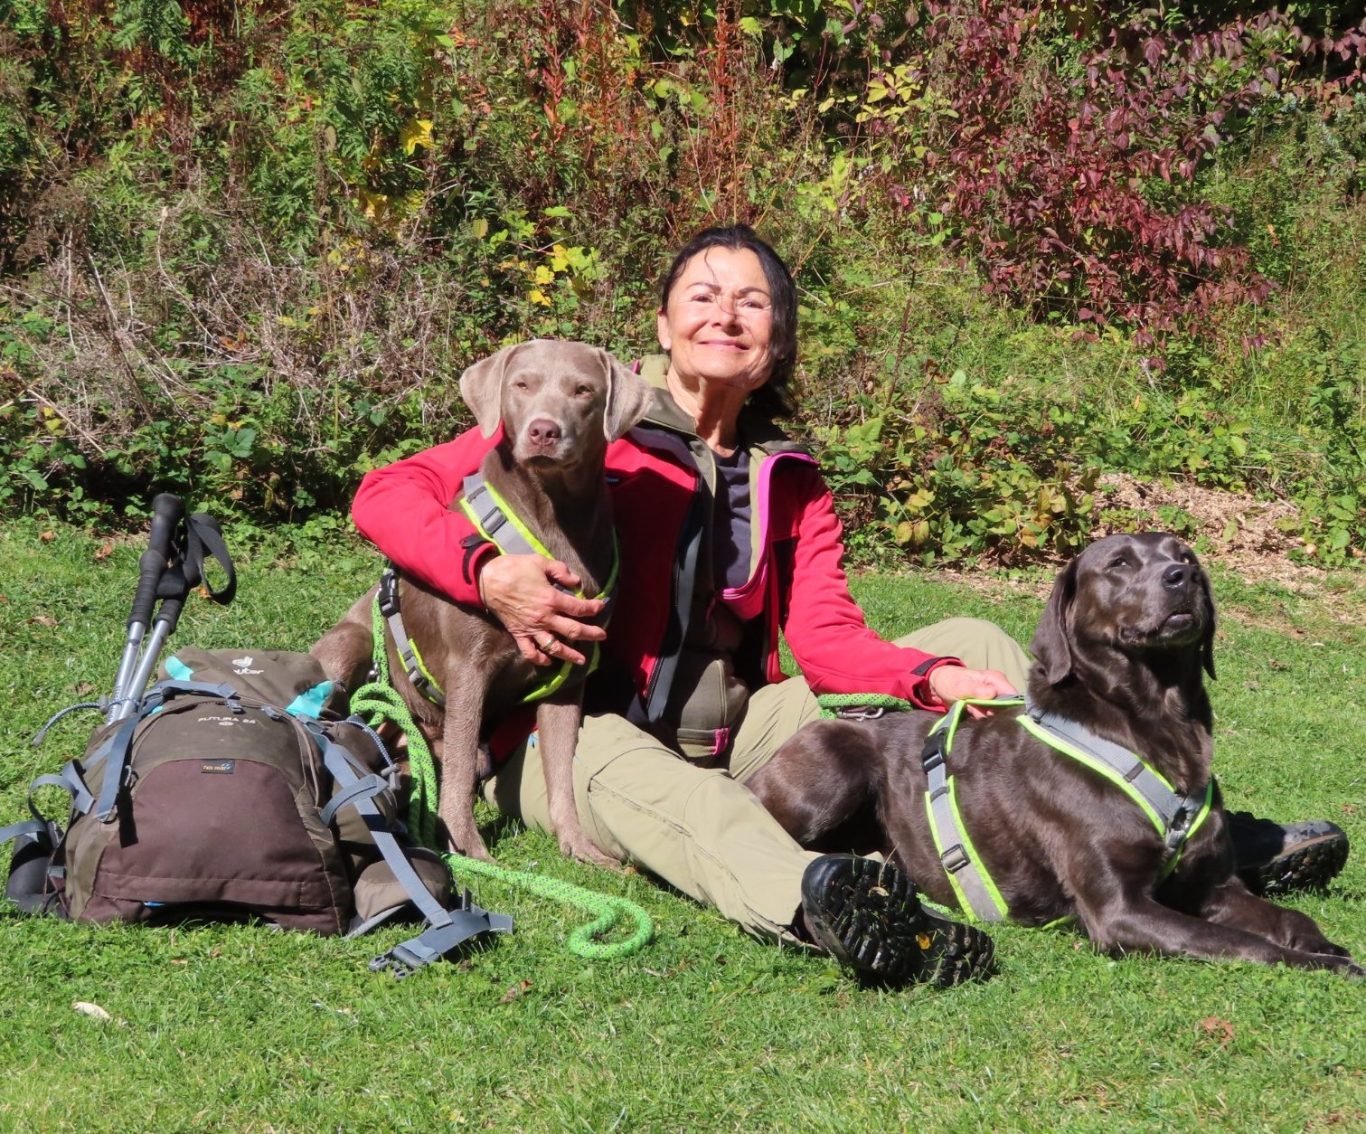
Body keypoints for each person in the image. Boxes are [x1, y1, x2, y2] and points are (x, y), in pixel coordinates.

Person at [350, 224, 1347, 986]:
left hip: (743, 722)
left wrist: (923, 675)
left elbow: (824, 639)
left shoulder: (788, 477)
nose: (725, 314)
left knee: (970, 637)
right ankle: (830, 904)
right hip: (580, 724)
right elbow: (385, 495)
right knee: (685, 804)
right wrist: (486, 571)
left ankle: (1178, 831)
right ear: (662, 326)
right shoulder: (582, 415)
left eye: (751, 303)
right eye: (702, 295)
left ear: (774, 341)